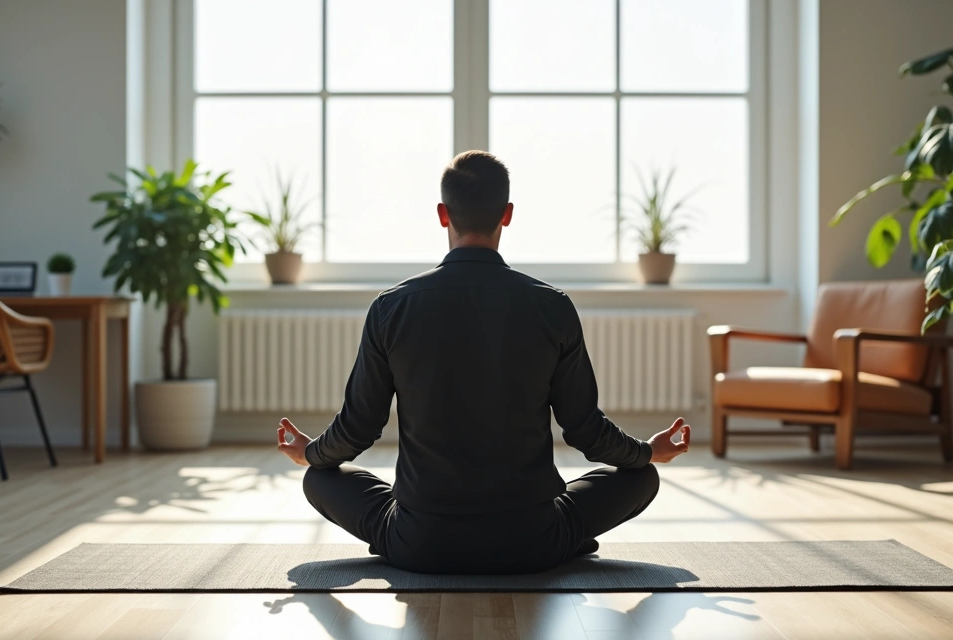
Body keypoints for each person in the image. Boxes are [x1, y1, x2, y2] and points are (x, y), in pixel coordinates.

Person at [275, 150, 691, 574]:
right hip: (531, 540)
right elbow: (585, 429)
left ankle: (402, 541)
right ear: (507, 214)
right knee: (642, 477)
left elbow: (358, 427)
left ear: (443, 214)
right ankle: (564, 539)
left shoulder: (390, 308)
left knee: (320, 477)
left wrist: (311, 453)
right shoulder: (553, 307)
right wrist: (645, 452)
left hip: (421, 541)